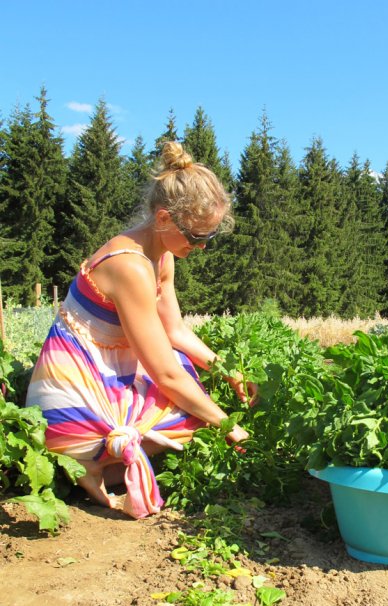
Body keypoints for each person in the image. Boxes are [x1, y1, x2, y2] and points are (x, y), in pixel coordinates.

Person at [26, 141, 256, 519]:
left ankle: (105, 461)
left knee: (189, 378)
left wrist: (228, 370)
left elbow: (176, 332)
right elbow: (165, 372)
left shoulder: (161, 255)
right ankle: (85, 460)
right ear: (164, 218)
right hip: (70, 392)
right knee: (193, 410)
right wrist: (229, 426)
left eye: (208, 238)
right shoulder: (130, 266)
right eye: (196, 237)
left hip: (106, 369)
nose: (200, 247)